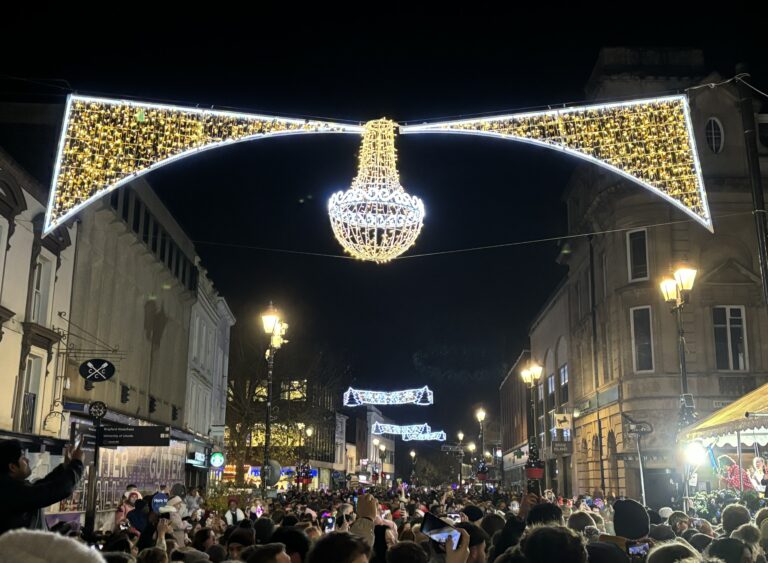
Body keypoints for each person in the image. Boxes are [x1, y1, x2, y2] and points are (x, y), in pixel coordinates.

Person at [0, 438, 84, 534]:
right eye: (23, 458)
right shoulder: (10, 493)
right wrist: (77, 464)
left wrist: (65, 467)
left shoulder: (10, 488)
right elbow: (54, 490)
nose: (27, 460)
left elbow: (40, 488)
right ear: (12, 467)